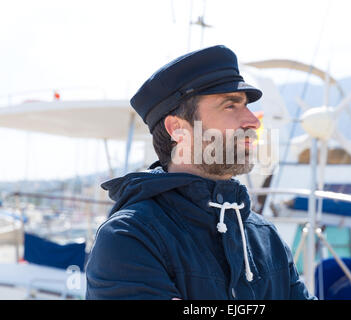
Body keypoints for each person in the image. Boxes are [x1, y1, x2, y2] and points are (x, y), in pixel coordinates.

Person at [85, 45, 316, 300]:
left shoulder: (266, 238)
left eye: (247, 106)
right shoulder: (130, 237)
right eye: (231, 105)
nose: (254, 121)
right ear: (177, 128)